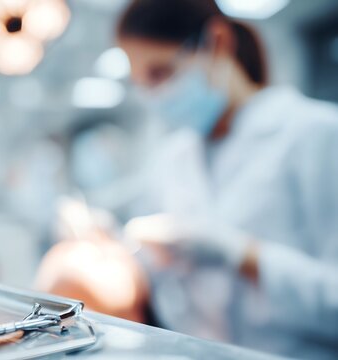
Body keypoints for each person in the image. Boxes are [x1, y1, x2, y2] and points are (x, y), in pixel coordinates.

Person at [35, 0, 338, 358]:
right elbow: (158, 273)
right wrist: (112, 243)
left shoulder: (318, 135)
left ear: (217, 42)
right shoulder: (175, 155)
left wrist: (244, 255)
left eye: (160, 72)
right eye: (141, 82)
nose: (154, 95)